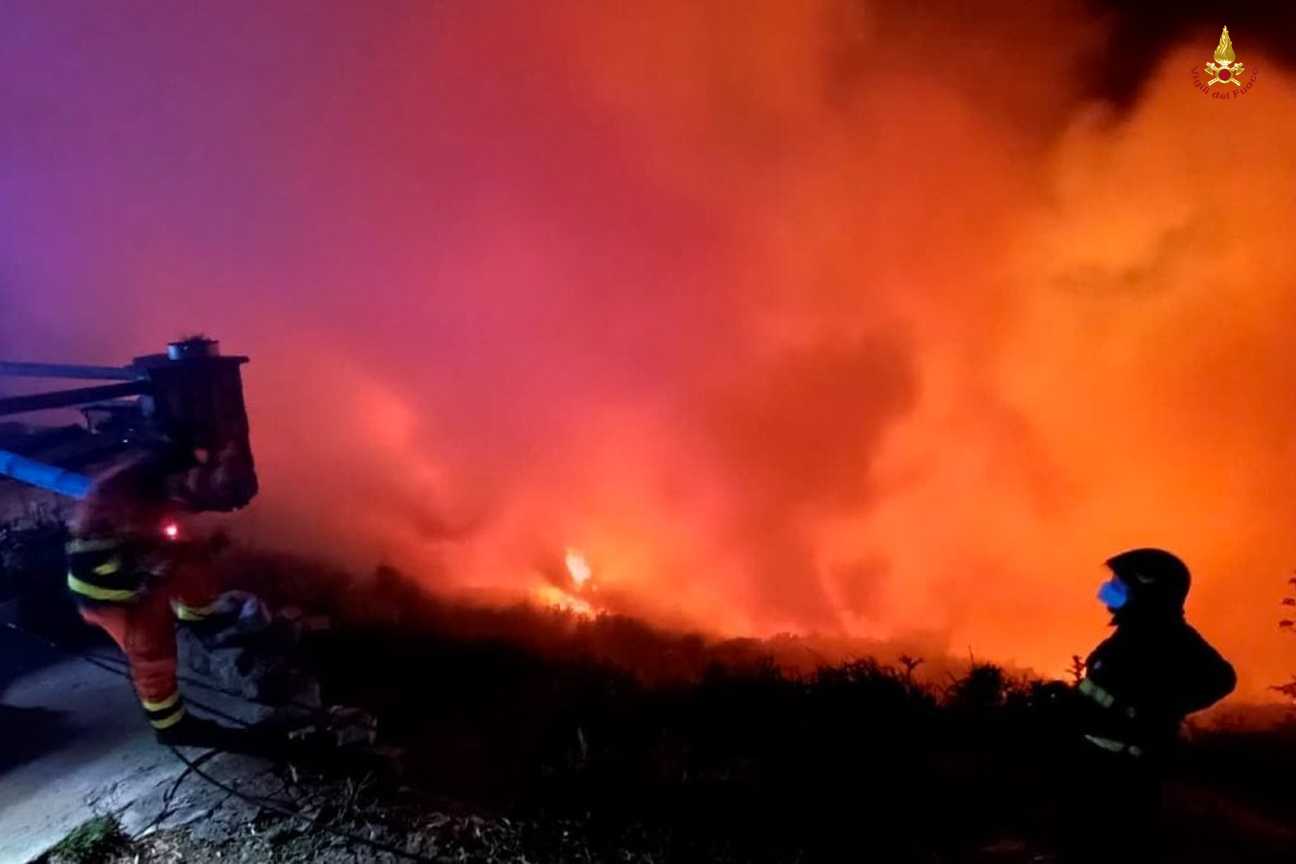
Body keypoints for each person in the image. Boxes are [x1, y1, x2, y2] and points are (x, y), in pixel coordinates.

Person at [1065, 547, 1236, 860]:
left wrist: (1160, 709)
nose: (1108, 591)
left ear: (1146, 591)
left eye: (1119, 585)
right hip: (1097, 766)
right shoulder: (1129, 635)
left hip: (1126, 778)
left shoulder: (1170, 636)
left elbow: (1223, 679)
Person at [64, 451, 240, 746]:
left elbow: (170, 549)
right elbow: (146, 563)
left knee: (190, 564)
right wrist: (173, 562)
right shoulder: (128, 508)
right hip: (109, 595)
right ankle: (172, 726)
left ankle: (198, 619)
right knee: (152, 653)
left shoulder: (147, 490)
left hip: (131, 572)